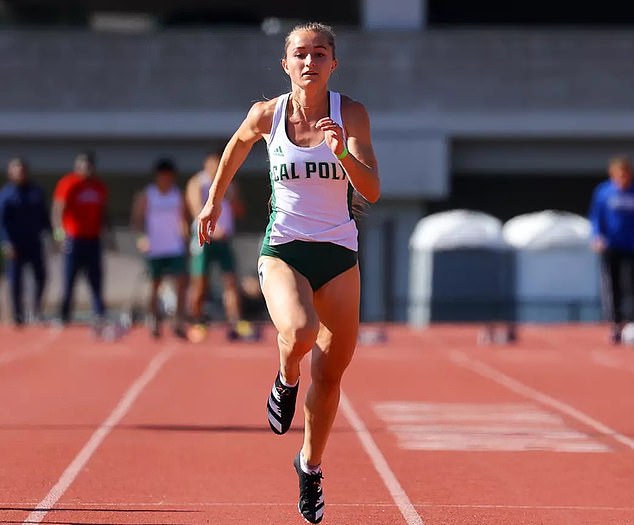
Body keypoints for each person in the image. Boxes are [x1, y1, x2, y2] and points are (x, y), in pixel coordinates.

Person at [197, 22, 380, 524]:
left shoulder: (352, 114)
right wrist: (212, 201)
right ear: (286, 63)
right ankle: (283, 377)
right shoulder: (268, 114)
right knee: (297, 330)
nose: (309, 62)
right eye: (300, 53)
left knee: (332, 374)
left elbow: (373, 189)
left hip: (340, 254)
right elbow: (237, 144)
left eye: (320, 53)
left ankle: (310, 465)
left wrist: (341, 150)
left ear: (332, 64)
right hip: (284, 248)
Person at [185, 149, 246, 338]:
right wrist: (213, 229)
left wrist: (231, 197)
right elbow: (195, 208)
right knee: (200, 282)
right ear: (206, 164)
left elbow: (238, 210)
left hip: (224, 240)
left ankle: (235, 322)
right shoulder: (197, 183)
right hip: (204, 239)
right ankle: (196, 320)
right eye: (212, 163)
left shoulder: (229, 182)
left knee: (230, 281)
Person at [132, 158, 189, 339]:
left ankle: (178, 321)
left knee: (180, 284)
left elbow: (183, 219)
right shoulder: (148, 195)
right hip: (155, 247)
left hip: (175, 247)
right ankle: (154, 320)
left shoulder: (177, 195)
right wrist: (142, 238)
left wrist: (186, 239)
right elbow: (138, 218)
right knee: (155, 286)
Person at [52, 151, 111, 326]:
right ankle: (64, 314)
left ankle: (99, 312)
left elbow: (104, 213)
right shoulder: (68, 183)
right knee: (70, 278)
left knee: (96, 278)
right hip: (74, 239)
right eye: (82, 166)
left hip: (93, 239)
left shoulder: (99, 187)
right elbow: (57, 210)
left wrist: (108, 235)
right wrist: (59, 234)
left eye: (88, 166)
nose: (85, 170)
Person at [589, 155, 634, 344]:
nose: (623, 178)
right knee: (612, 286)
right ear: (613, 174)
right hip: (611, 246)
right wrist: (596, 236)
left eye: (626, 175)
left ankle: (631, 322)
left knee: (631, 285)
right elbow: (596, 217)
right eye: (619, 174)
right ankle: (615, 324)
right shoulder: (604, 192)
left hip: (631, 246)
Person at [0, 158, 50, 325]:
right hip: (14, 244)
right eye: (16, 170)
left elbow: (45, 216)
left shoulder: (36, 192)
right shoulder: (6, 194)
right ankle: (17, 315)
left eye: (22, 170)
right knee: (15, 280)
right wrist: (6, 242)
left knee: (41, 276)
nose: (20, 173)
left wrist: (56, 236)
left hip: (34, 242)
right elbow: (2, 222)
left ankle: (36, 310)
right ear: (10, 173)